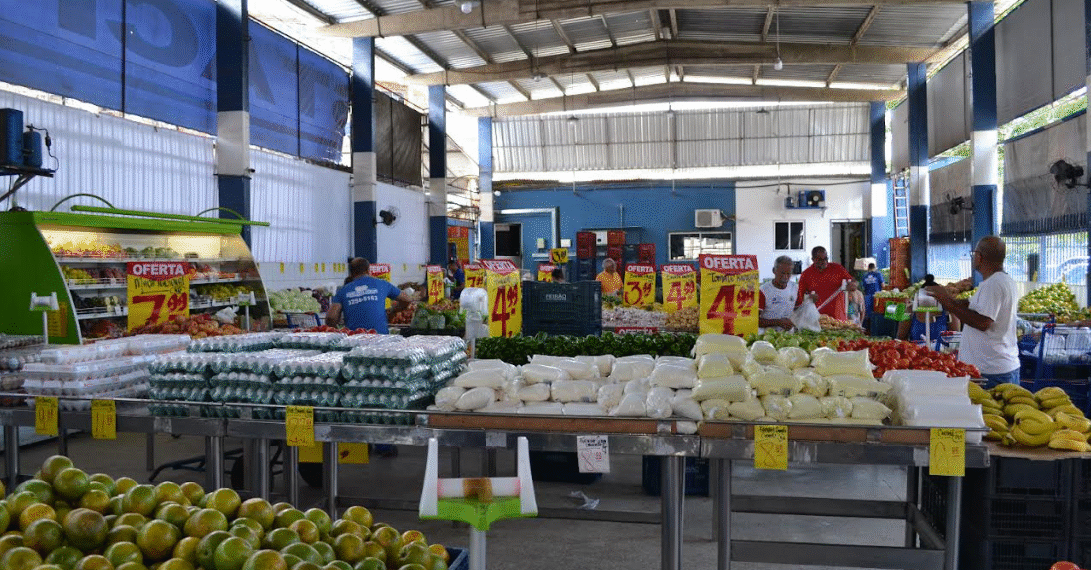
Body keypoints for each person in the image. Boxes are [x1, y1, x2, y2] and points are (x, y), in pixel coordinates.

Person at [925, 236, 1019, 388]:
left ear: (979, 257)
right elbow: (970, 305)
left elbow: (983, 322)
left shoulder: (993, 284)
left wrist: (948, 302)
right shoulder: (1002, 281)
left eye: (974, 254)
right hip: (995, 367)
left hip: (990, 372)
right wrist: (945, 298)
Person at [326, 258, 411, 334]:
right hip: (380, 337)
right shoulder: (382, 284)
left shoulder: (343, 290)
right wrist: (393, 311)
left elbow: (331, 318)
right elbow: (407, 299)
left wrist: (338, 332)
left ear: (351, 273)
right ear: (368, 270)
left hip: (355, 338)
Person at [796, 246, 855, 320]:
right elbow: (799, 299)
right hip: (816, 319)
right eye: (820, 260)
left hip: (838, 319)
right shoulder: (806, 274)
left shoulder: (837, 268)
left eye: (826, 258)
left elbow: (852, 281)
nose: (824, 262)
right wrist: (808, 298)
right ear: (813, 259)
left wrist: (853, 285)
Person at [758, 255, 798, 331]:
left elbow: (798, 310)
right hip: (767, 335)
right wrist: (778, 322)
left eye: (788, 273)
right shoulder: (763, 291)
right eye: (782, 273)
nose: (785, 277)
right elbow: (755, 320)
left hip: (788, 335)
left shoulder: (795, 288)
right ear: (774, 270)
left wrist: (809, 300)